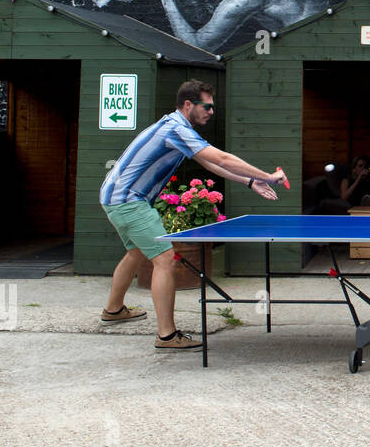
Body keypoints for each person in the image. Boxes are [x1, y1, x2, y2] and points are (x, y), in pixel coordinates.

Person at [99, 80, 288, 350]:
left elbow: (210, 163)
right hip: (129, 201)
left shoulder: (177, 128)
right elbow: (221, 158)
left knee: (136, 252)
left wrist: (249, 181)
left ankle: (114, 310)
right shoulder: (176, 129)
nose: (211, 112)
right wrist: (268, 176)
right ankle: (167, 335)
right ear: (188, 104)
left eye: (213, 107)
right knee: (164, 259)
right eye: (207, 106)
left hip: (115, 198)